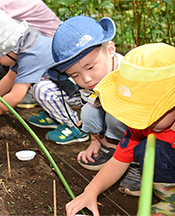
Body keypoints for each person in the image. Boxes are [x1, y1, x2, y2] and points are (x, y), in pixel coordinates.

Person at [65, 43, 175, 216]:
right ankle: (172, 202)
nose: (140, 120)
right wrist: (90, 192)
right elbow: (118, 161)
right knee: (146, 149)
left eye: (148, 112)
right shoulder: (143, 124)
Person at [45, 15, 139, 193]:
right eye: (75, 75)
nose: (86, 79)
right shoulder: (91, 82)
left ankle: (136, 161)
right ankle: (108, 147)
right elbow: (91, 105)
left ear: (110, 49)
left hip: (142, 131)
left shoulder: (130, 75)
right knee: (88, 111)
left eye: (90, 67)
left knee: (115, 116)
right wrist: (94, 140)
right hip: (116, 123)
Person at [0, 7, 87, 146]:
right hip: (63, 84)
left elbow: (14, 97)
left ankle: (74, 126)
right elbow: (9, 78)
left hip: (81, 91)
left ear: (6, 49)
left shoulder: (30, 56)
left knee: (40, 89)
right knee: (29, 84)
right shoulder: (22, 47)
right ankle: (54, 115)